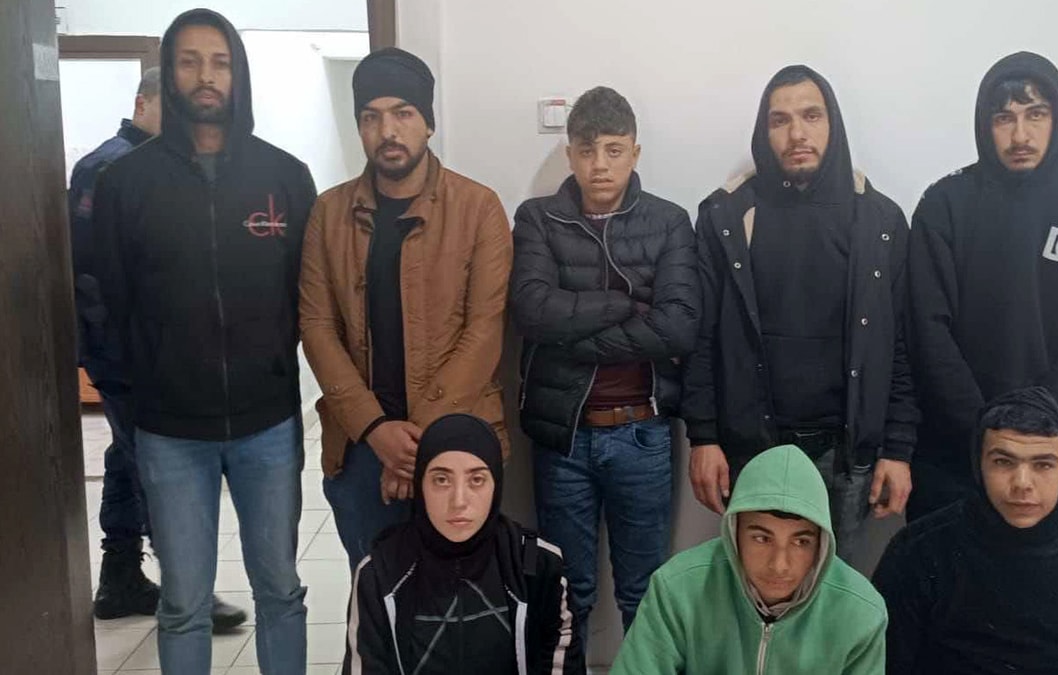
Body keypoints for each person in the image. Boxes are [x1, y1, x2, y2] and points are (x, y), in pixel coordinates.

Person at [91, 9, 315, 672]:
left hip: (267, 423)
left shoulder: (285, 176)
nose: (205, 76)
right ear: (169, 74)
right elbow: (111, 301)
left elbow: (307, 296)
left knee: (280, 591)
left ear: (237, 73)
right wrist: (144, 390)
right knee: (184, 602)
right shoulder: (124, 183)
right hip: (170, 430)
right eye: (189, 62)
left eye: (218, 62)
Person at [682, 65, 919, 568]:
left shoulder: (879, 221)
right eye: (780, 120)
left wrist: (897, 448)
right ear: (763, 130)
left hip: (848, 455)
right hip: (753, 450)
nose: (797, 134)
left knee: (834, 595)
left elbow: (900, 344)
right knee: (754, 593)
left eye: (811, 116)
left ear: (833, 123)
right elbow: (702, 337)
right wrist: (703, 436)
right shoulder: (726, 216)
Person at [300, 47, 513, 570]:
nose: (387, 131)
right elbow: (317, 327)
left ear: (428, 123)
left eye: (403, 113)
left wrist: (413, 445)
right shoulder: (328, 212)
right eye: (370, 117)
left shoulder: (478, 208)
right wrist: (377, 431)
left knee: (457, 596)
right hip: (359, 448)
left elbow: (484, 332)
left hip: (457, 445)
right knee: (375, 594)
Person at [509, 85, 699, 646]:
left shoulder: (669, 221)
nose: (599, 165)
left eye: (614, 150)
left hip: (642, 432)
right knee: (568, 594)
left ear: (634, 153)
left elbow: (678, 326)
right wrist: (624, 304)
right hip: (563, 438)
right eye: (588, 150)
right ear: (569, 153)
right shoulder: (538, 219)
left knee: (645, 593)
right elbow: (531, 312)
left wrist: (573, 338)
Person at [906, 52, 1058, 520]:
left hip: (1043, 451)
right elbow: (927, 331)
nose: (1021, 135)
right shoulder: (944, 205)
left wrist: (1032, 432)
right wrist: (984, 431)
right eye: (1004, 118)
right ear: (984, 125)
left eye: (1036, 114)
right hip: (948, 452)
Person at [70, 66, 247, 632]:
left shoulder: (161, 165)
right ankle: (185, 589)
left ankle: (120, 577)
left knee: (126, 457)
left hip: (153, 353)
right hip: (130, 357)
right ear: (142, 104)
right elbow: (93, 274)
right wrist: (131, 351)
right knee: (156, 465)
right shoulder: (109, 167)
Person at [873, 387, 1058, 674]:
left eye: (1043, 464)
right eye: (1003, 462)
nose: (1022, 483)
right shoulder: (919, 548)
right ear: (978, 464)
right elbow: (888, 664)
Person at [611, 444, 886, 674]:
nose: (779, 564)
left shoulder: (861, 612)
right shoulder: (677, 588)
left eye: (801, 542)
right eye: (761, 538)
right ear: (734, 532)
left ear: (822, 544)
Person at [344, 413, 584, 674]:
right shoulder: (379, 574)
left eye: (476, 480)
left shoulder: (538, 566)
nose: (459, 501)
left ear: (496, 485)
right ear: (420, 485)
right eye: (441, 480)